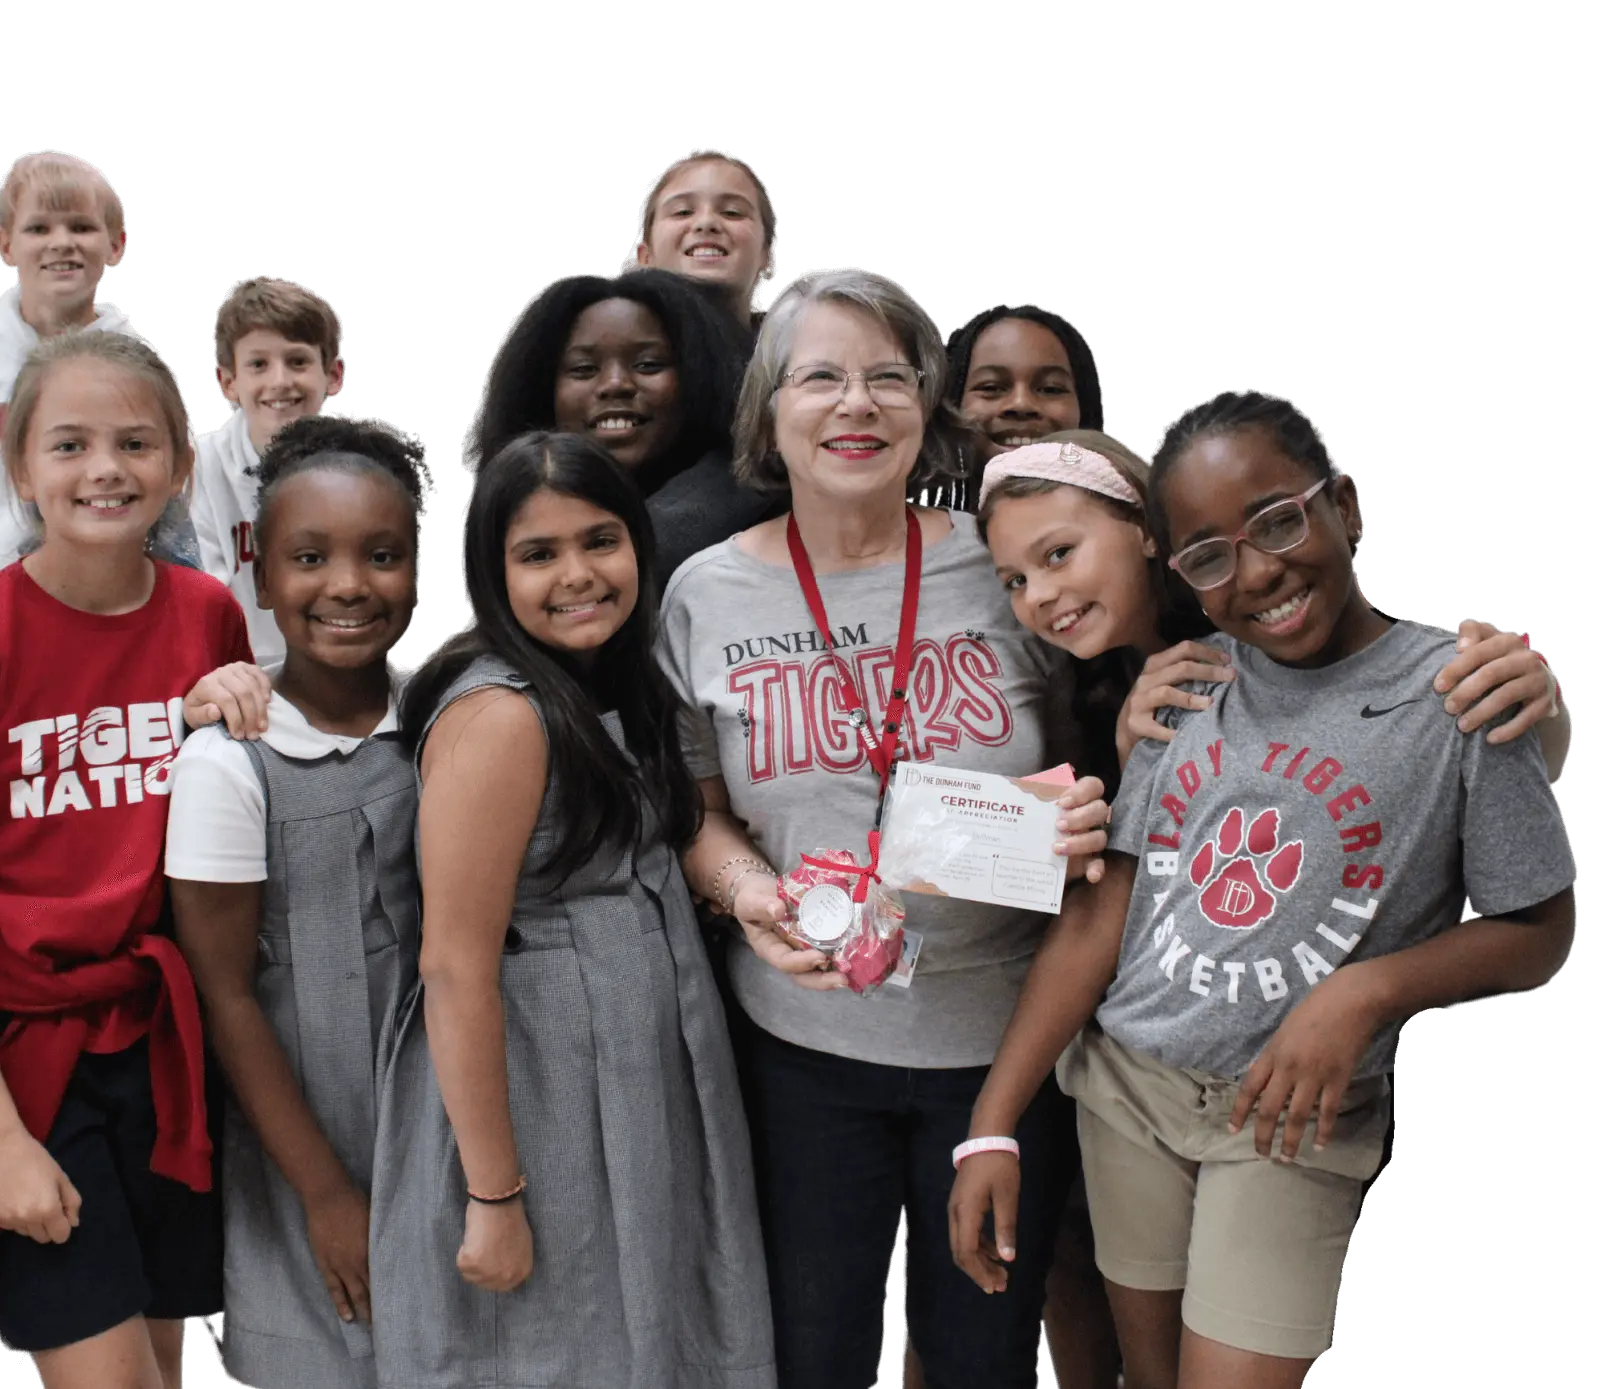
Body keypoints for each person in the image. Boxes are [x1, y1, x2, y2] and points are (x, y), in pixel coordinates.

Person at [949, 389, 1577, 1388]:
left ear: (1346, 506)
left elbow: (1538, 929)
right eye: (1207, 555)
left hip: (1291, 1120)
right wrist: (989, 1123)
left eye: (1278, 520)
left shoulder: (1457, 693)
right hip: (1128, 1094)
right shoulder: (1187, 684)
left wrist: (1362, 991)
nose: (1256, 571)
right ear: (1179, 571)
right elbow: (1106, 910)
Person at [658, 267, 1113, 1388]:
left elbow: (1108, 719)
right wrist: (744, 893)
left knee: (981, 1354)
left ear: (926, 406)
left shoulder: (1002, 561)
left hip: (997, 1049)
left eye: (886, 378)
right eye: (818, 377)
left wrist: (1092, 802)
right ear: (769, 409)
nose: (854, 404)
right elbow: (695, 812)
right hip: (799, 1051)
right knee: (810, 1353)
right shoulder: (701, 593)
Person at [0, 332, 249, 1388]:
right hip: (24, 1056)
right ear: (20, 470)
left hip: (163, 1038)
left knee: (165, 1363)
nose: (103, 469)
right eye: (70, 444)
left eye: (135, 443)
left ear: (180, 465)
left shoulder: (209, 616)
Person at [369, 431, 776, 1388]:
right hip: (540, 1090)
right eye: (537, 554)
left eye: (600, 540)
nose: (577, 575)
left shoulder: (615, 683)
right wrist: (493, 1194)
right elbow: (455, 964)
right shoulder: (502, 715)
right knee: (558, 1344)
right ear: (489, 571)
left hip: (635, 1079)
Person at [167, 415, 434, 1389]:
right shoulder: (227, 760)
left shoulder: (441, 714)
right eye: (309, 557)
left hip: (440, 1125)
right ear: (264, 573)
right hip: (303, 1129)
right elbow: (225, 995)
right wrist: (323, 1193)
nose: (348, 585)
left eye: (382, 556)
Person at [981, 432, 1571, 786]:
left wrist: (1537, 702)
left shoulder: (1267, 621)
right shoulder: (1077, 690)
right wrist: (1131, 765)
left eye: (1059, 554)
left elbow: (1494, 758)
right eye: (1013, 579)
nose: (1036, 596)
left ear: (1146, 528)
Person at [0, 150, 193, 662]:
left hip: (109, 630)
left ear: (117, 245)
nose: (62, 242)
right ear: (5, 244)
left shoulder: (142, 365)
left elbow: (175, 509)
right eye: (39, 228)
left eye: (82, 227)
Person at [462, 268, 779, 590]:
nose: (615, 385)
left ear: (698, 377)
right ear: (542, 391)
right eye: (584, 369)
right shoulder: (504, 516)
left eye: (648, 365)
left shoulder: (769, 502)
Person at [187, 277, 351, 668]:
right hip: (232, 673)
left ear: (333, 375)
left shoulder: (359, 469)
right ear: (228, 382)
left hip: (334, 669)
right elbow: (199, 601)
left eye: (298, 361)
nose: (279, 381)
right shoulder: (197, 466)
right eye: (258, 364)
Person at [937, 302, 1106, 512]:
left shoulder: (1140, 528)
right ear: (953, 404)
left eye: (1050, 389)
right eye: (991, 387)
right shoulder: (912, 537)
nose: (1021, 404)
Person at [625, 148, 780, 328]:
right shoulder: (608, 345)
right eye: (682, 212)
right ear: (646, 257)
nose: (706, 222)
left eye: (732, 212)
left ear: (767, 255)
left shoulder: (797, 348)